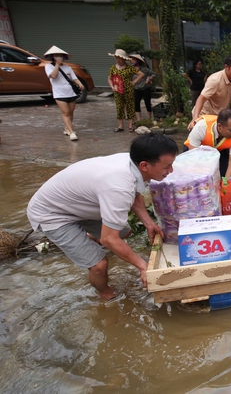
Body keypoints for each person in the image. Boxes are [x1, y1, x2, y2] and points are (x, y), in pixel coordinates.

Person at [26, 134, 178, 301]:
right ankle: (105, 295)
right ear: (144, 165)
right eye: (167, 166)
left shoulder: (130, 162)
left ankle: (88, 238)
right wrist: (143, 266)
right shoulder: (119, 186)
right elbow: (110, 239)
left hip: (78, 205)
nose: (170, 171)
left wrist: (149, 223)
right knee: (100, 264)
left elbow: (134, 195)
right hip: (52, 214)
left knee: (124, 232)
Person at [184, 108, 231, 178]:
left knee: (221, 178)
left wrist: (225, 183)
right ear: (219, 126)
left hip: (219, 151)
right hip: (196, 151)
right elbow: (193, 157)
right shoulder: (201, 127)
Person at [43, 45, 85, 141]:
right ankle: (71, 132)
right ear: (52, 57)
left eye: (60, 55)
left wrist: (80, 83)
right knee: (65, 112)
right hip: (59, 93)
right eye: (56, 55)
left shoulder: (68, 68)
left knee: (70, 112)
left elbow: (74, 78)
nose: (58, 57)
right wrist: (57, 65)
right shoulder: (48, 67)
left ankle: (67, 128)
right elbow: (53, 76)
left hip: (70, 92)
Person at [189, 55, 231, 129]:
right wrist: (195, 118)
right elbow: (202, 98)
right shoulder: (215, 80)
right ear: (226, 67)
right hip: (204, 115)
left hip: (219, 117)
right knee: (205, 138)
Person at [108, 49, 138, 133]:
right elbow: (109, 78)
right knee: (119, 107)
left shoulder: (129, 68)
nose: (117, 60)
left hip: (128, 90)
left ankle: (130, 126)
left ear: (123, 59)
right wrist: (112, 86)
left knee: (130, 107)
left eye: (119, 58)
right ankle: (120, 126)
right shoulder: (113, 68)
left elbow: (141, 74)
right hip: (117, 91)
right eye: (116, 58)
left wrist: (134, 82)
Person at [129, 54, 156, 121]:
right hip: (136, 88)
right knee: (136, 103)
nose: (132, 61)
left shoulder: (144, 69)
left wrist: (149, 79)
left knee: (147, 102)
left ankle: (149, 118)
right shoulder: (131, 69)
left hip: (145, 88)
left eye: (134, 59)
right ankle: (139, 118)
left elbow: (153, 74)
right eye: (131, 59)